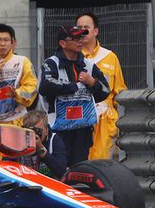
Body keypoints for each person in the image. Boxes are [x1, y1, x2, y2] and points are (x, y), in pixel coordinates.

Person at [39, 25, 110, 166]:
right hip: (59, 128)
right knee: (60, 169)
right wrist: (74, 86)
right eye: (75, 38)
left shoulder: (89, 65)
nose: (80, 41)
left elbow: (106, 91)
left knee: (80, 169)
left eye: (81, 37)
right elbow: (45, 86)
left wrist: (92, 83)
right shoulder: (51, 63)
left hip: (82, 128)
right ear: (62, 43)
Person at [75, 12, 127, 160]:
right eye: (79, 28)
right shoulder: (71, 56)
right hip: (79, 120)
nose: (82, 31)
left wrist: (121, 121)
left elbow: (120, 91)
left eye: (86, 27)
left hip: (105, 122)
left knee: (102, 167)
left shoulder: (109, 57)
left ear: (96, 31)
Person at [14, 111, 68, 179]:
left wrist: (42, 150)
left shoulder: (54, 141)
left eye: (37, 131)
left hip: (48, 184)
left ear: (46, 131)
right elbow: (7, 165)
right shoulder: (17, 140)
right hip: (25, 183)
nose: (34, 135)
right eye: (29, 131)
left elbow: (61, 172)